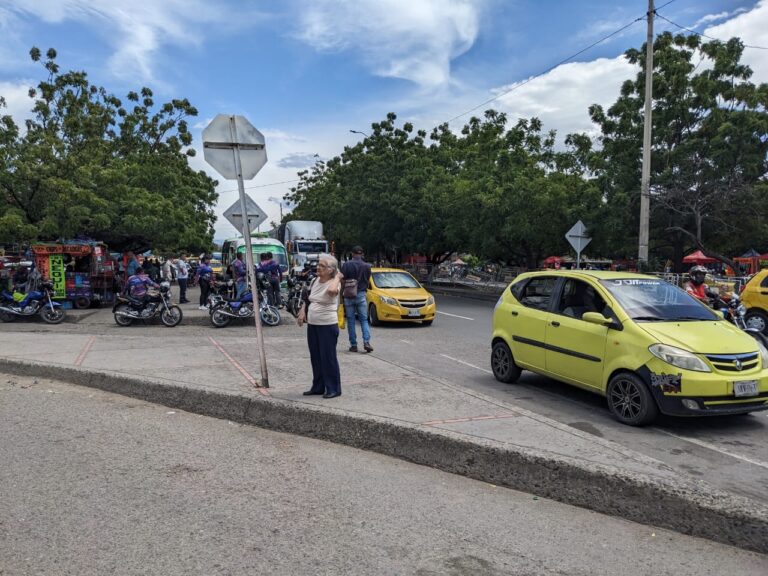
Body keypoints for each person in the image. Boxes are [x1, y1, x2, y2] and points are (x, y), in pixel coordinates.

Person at [297, 254, 342, 399]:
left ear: (330, 270)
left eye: (322, 266)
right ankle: (318, 386)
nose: (318, 267)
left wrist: (337, 277)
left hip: (327, 325)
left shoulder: (334, 283)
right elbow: (308, 297)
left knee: (328, 357)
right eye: (319, 264)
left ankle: (333, 388)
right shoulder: (315, 280)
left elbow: (332, 292)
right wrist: (302, 311)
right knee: (315, 356)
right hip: (314, 324)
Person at [340, 245, 373, 353]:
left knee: (351, 320)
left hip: (349, 295)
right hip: (361, 294)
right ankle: (366, 342)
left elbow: (342, 280)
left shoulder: (346, 265)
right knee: (364, 320)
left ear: (352, 253)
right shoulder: (367, 266)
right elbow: (368, 280)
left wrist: (342, 294)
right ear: (362, 253)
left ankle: (353, 345)